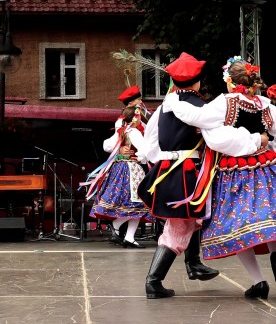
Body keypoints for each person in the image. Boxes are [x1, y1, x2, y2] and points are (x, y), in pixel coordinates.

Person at [138, 52, 265, 299]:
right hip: (187, 173)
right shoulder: (201, 107)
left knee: (195, 218)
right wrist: (254, 140)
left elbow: (151, 142)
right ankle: (153, 282)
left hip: (166, 169)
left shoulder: (165, 106)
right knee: (179, 226)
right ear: (197, 82)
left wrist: (160, 160)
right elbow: (216, 141)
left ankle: (193, 263)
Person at [90, 105, 153, 248]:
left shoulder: (120, 132)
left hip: (118, 169)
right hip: (131, 170)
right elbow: (146, 151)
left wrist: (119, 152)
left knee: (133, 204)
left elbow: (106, 146)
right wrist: (140, 157)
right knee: (138, 203)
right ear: (135, 118)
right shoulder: (135, 132)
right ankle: (117, 225)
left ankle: (128, 236)